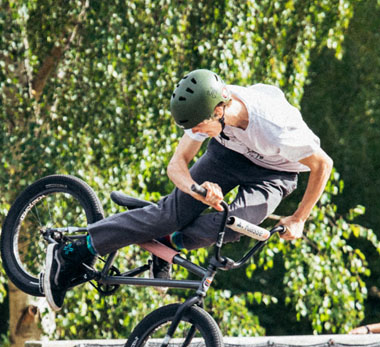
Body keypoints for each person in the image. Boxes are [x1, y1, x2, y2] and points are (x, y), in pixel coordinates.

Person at [42, 68, 334, 311]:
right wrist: (197, 190)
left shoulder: (277, 127)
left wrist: (298, 218)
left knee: (235, 226)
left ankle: (167, 242)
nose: (198, 133)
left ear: (221, 110)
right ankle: (73, 250)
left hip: (275, 173)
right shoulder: (204, 110)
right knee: (170, 213)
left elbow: (323, 165)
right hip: (229, 153)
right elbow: (176, 165)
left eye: (201, 128)